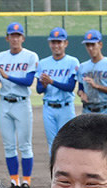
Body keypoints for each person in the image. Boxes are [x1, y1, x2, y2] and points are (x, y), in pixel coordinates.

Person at [0, 22, 39, 188]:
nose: (15, 38)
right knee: (9, 145)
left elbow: (28, 81)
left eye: (18, 35)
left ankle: (26, 181)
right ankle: (14, 181)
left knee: (25, 145)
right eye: (12, 35)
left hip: (22, 102)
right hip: (5, 103)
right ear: (7, 38)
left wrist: (7, 75)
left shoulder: (30, 56)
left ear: (23, 38)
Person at [36, 27, 79, 158]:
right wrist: (43, 85)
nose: (56, 45)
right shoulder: (43, 63)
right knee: (52, 144)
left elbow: (70, 87)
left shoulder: (72, 61)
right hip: (49, 107)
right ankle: (55, 176)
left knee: (68, 143)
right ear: (50, 44)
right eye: (53, 42)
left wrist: (51, 81)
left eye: (59, 42)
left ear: (65, 43)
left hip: (66, 107)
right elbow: (39, 90)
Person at [77, 29, 107, 116]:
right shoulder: (83, 66)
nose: (90, 48)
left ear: (100, 44)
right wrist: (81, 93)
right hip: (87, 110)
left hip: (105, 110)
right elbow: (80, 88)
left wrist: (96, 86)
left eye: (93, 44)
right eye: (88, 45)